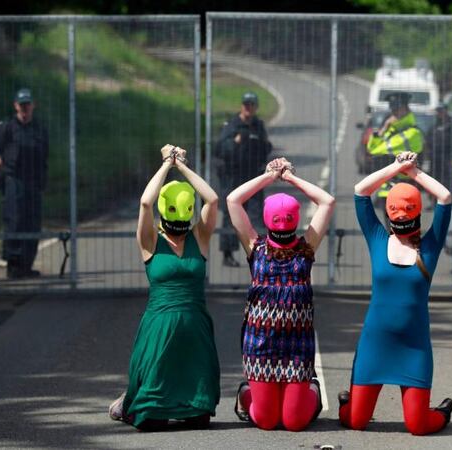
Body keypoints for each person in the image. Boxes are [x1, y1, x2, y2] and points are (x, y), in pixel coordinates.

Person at [340, 151, 452, 435]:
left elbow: (445, 197)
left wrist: (413, 172)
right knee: (355, 421)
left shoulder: (430, 245)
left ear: (416, 209)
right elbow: (360, 192)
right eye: (395, 207)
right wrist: (395, 168)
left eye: (406, 207)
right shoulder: (378, 239)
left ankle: (442, 412)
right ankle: (348, 401)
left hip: (413, 347)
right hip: (375, 343)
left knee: (418, 427)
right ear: (388, 210)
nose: (400, 212)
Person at [109, 145, 221, 431]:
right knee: (151, 418)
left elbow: (212, 199)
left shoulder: (199, 236)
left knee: (198, 417)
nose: (178, 230)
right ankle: (131, 400)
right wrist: (165, 165)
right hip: (159, 326)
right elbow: (146, 203)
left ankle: (186, 402)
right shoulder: (150, 242)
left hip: (195, 328)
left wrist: (181, 166)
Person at [228, 157, 334, 431]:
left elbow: (328, 202)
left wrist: (289, 178)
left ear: (295, 219)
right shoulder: (255, 246)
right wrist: (270, 176)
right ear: (267, 219)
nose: (283, 222)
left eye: (287, 218)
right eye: (278, 218)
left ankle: (313, 392)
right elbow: (232, 201)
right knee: (266, 421)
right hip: (261, 345)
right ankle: (246, 393)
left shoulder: (306, 246)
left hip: (297, 347)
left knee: (294, 422)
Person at [0, 88, 49, 279]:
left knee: (32, 223)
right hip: (14, 181)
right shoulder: (6, 127)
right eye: (21, 105)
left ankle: (26, 265)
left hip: (33, 181)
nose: (25, 108)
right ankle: (14, 265)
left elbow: (45, 155)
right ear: (16, 106)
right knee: (15, 222)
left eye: (28, 105)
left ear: (33, 105)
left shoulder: (38, 128)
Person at [215, 91, 273, 267]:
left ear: (256, 107)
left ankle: (259, 253)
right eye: (246, 105)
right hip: (233, 178)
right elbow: (219, 149)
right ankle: (228, 254)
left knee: (256, 217)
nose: (249, 108)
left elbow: (266, 147)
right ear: (242, 106)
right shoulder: (231, 125)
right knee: (231, 217)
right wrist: (235, 142)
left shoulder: (258, 125)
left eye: (252, 105)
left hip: (253, 177)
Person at [366, 92, 425, 207]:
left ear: (406, 109)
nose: (394, 113)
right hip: (387, 188)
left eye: (397, 109)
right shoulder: (392, 129)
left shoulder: (413, 133)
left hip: (404, 188)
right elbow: (371, 148)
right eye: (393, 110)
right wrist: (383, 129)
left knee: (402, 223)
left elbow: (376, 151)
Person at [426, 103, 452, 191]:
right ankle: (434, 203)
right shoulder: (434, 126)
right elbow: (427, 141)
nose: (439, 113)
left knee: (447, 184)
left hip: (447, 159)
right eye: (438, 111)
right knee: (434, 182)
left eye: (441, 111)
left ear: (446, 111)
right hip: (435, 159)